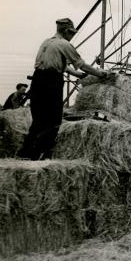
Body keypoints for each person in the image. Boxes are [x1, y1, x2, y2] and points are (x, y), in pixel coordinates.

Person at [18, 18, 110, 160]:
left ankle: (26, 153)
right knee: (54, 120)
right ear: (67, 31)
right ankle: (43, 154)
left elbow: (63, 65)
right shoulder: (64, 44)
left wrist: (76, 74)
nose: (72, 36)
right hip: (51, 81)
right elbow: (82, 65)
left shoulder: (47, 42)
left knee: (38, 119)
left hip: (37, 80)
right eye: (71, 33)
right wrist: (100, 74)